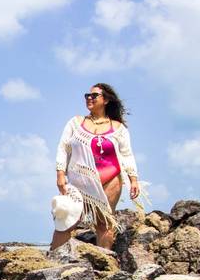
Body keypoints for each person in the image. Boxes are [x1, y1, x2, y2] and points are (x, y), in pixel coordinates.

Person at [51, 83, 142, 250]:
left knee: (104, 223)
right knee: (66, 219)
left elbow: (127, 154)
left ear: (106, 100)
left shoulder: (118, 128)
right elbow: (63, 147)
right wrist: (60, 173)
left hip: (110, 179)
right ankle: (52, 262)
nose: (89, 98)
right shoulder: (76, 122)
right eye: (87, 95)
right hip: (79, 181)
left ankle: (105, 265)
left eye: (94, 96)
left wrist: (134, 180)